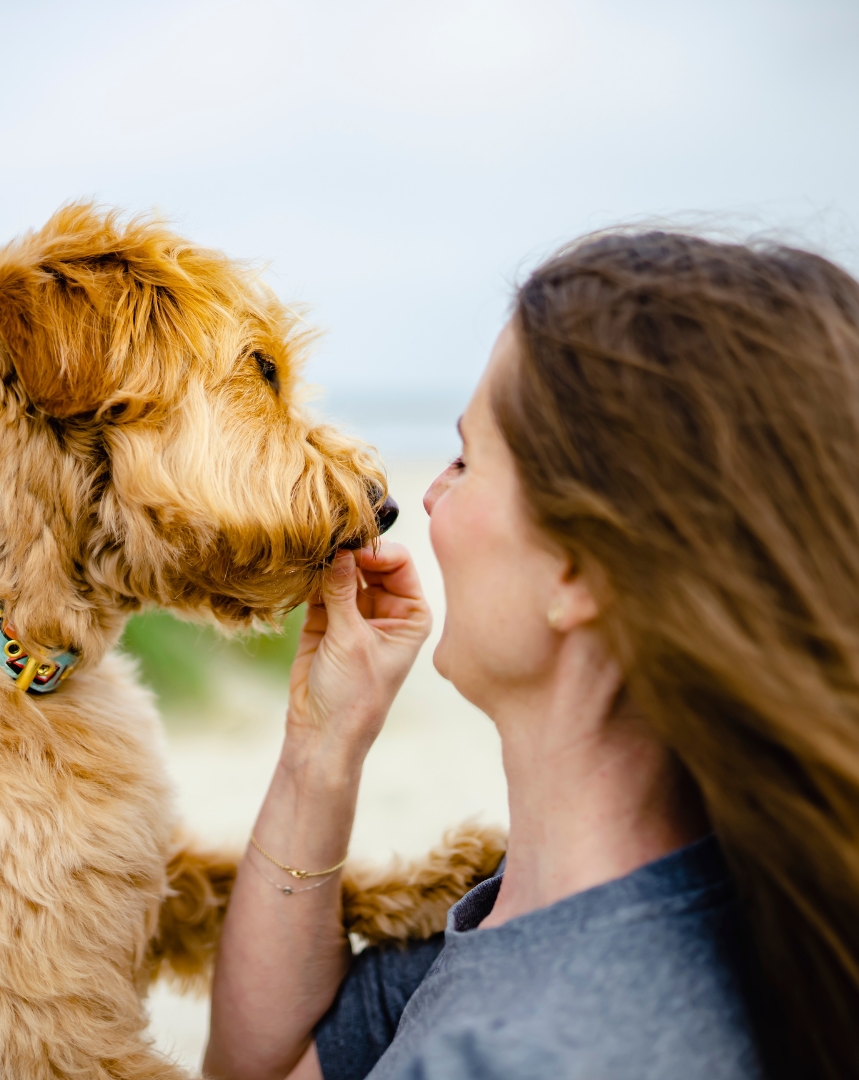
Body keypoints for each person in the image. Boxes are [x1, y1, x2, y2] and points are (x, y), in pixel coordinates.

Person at [204, 232, 859, 1080]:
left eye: (466, 460)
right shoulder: (551, 903)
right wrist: (324, 739)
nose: (426, 497)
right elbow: (267, 1067)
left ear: (580, 568)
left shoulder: (539, 1051)